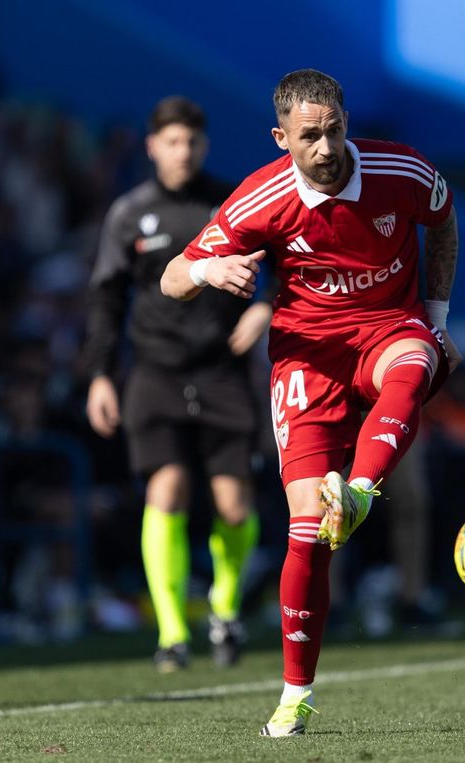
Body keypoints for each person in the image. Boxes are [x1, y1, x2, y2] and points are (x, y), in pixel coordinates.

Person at [161, 68, 461, 737]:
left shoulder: (402, 171)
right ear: (281, 138)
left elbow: (442, 223)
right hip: (307, 358)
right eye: (308, 137)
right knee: (307, 533)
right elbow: (171, 275)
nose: (325, 148)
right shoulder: (257, 200)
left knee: (415, 361)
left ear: (347, 123)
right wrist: (211, 268)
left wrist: (437, 319)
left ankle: (357, 491)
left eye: (333, 131)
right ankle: (295, 695)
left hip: (388, 327)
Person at [82, 96, 268, 672]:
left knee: (234, 505)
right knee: (166, 491)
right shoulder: (128, 214)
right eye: (171, 141)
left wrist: (268, 312)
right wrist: (99, 376)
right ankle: (170, 632)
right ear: (152, 147)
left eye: (190, 141)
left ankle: (225, 607)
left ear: (203, 146)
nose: (181, 151)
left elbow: (293, 264)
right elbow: (107, 300)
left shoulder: (232, 202)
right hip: (157, 371)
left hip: (222, 370)